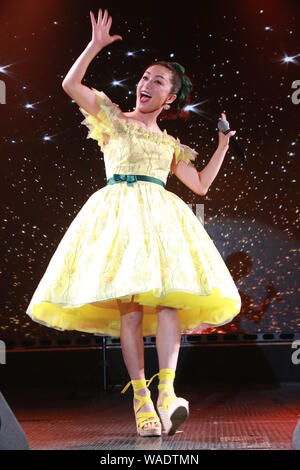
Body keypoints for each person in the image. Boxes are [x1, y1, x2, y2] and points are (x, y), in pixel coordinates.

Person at [26, 7, 241, 437]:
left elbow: (198, 185)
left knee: (169, 306)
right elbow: (70, 85)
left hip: (160, 222)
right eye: (144, 77)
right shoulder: (112, 117)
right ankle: (141, 399)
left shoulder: (170, 143)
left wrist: (221, 145)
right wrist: (94, 46)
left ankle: (167, 394)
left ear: (170, 99)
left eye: (157, 81)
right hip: (120, 219)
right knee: (130, 309)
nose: (145, 84)